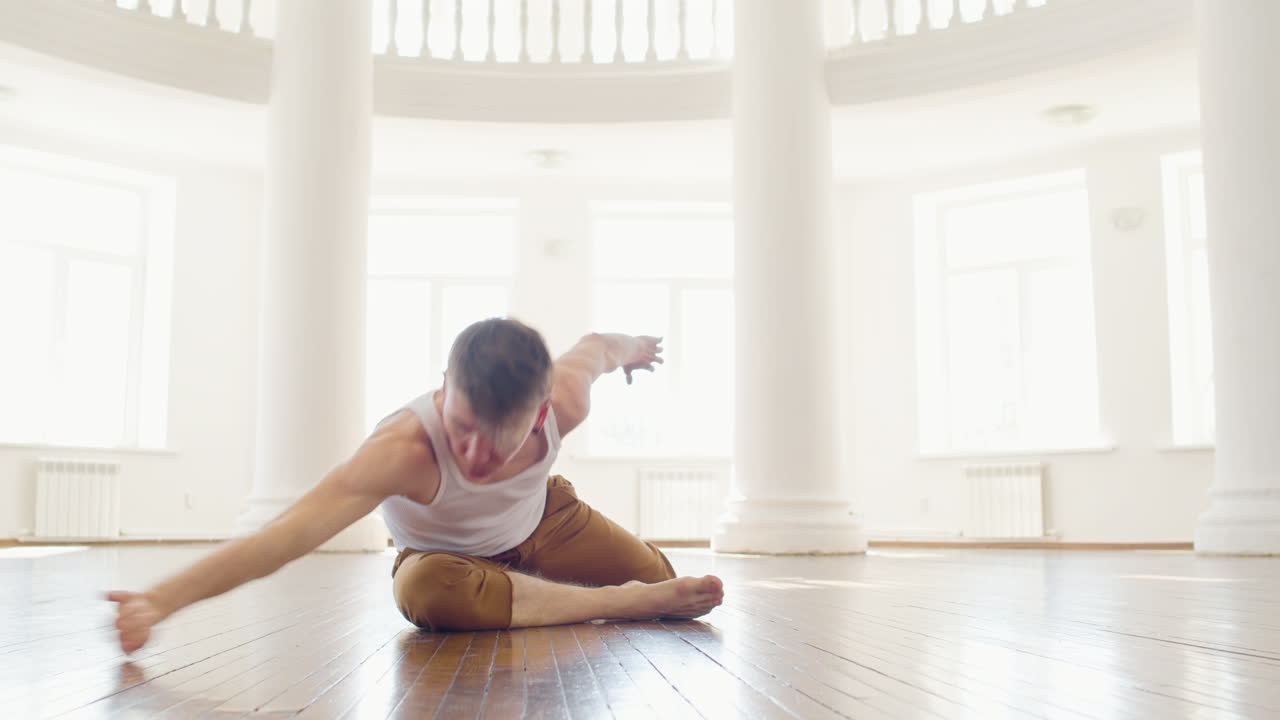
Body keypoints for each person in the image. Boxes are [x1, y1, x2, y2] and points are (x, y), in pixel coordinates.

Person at [108, 318, 724, 653]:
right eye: (460, 428)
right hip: (445, 559)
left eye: (498, 438)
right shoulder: (400, 450)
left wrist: (638, 347)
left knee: (666, 579)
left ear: (539, 416)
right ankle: (616, 603)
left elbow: (596, 347)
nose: (474, 456)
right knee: (430, 592)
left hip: (549, 521)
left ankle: (567, 595)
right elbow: (282, 538)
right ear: (444, 388)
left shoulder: (565, 400)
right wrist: (159, 601)